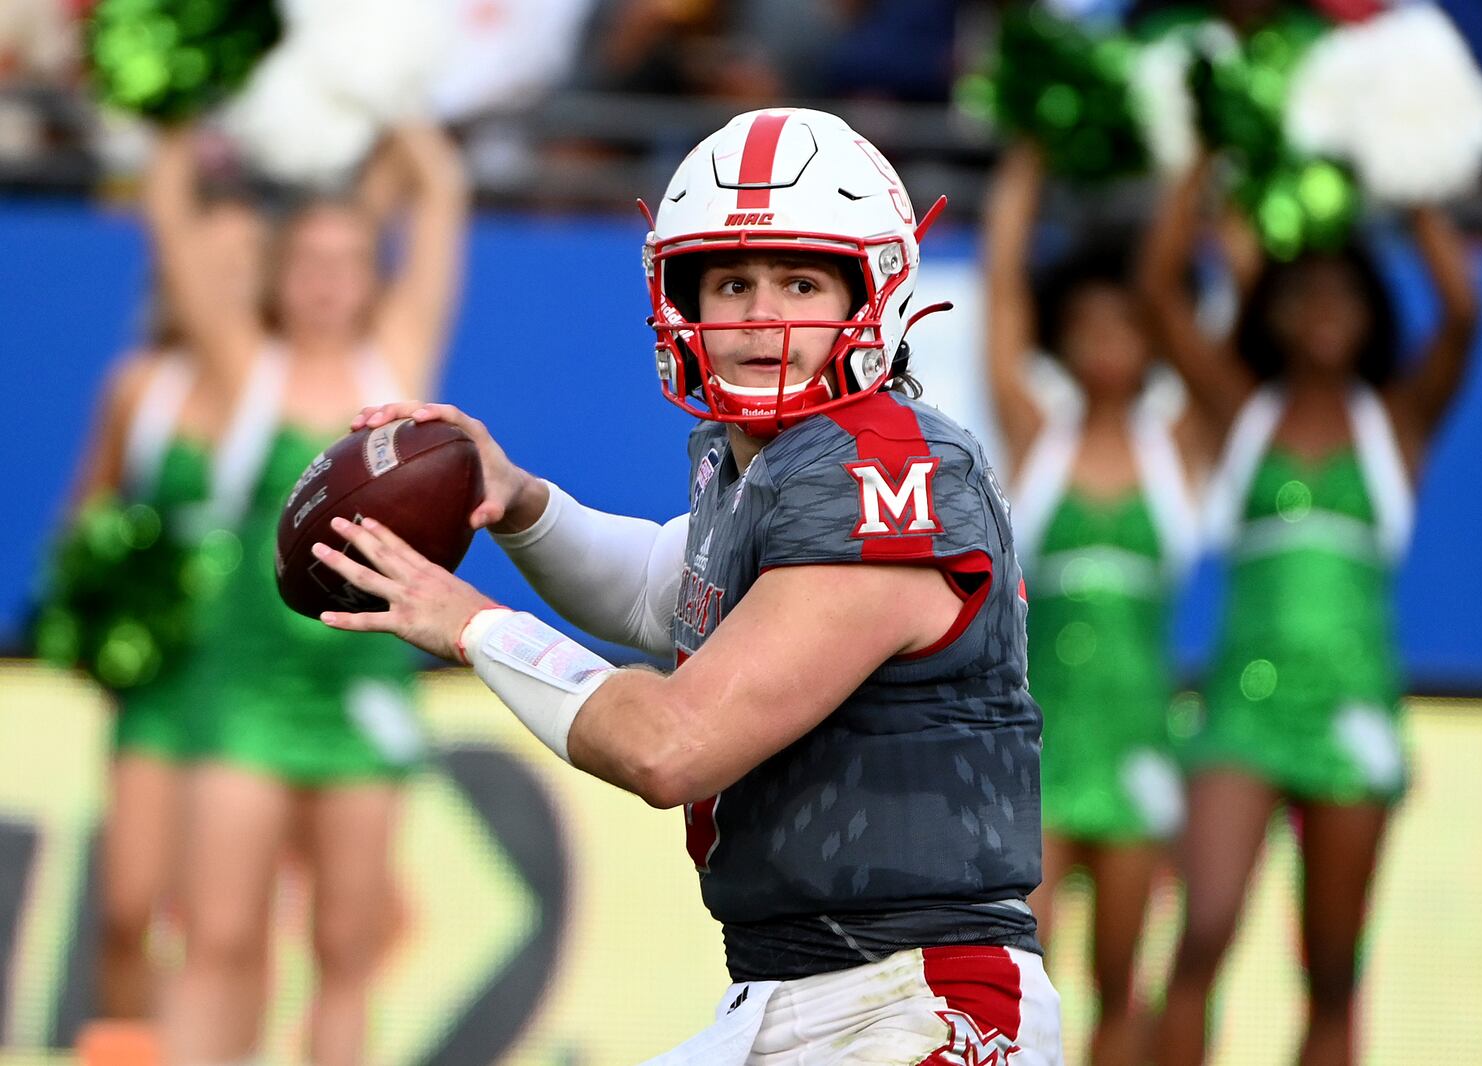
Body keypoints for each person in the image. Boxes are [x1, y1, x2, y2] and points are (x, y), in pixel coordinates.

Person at [315, 108, 1064, 1064]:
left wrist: (475, 627)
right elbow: (658, 594)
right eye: (733, 282)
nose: (761, 316)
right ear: (683, 299)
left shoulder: (887, 471)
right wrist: (516, 501)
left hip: (916, 1000)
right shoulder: (762, 464)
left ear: (875, 291)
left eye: (799, 281)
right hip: (793, 991)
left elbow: (670, 747)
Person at [1139, 161, 1480, 1066]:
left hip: (1353, 711)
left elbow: (1465, 312)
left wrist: (1407, 166)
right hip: (1241, 712)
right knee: (1200, 937)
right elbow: (1159, 292)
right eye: (1303, 297)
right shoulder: (1241, 412)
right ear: (1272, 317)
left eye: (1342, 297)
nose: (1324, 311)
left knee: (1331, 971)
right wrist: (1203, 161)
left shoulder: (1397, 423)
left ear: (1371, 316)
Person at [145, 122, 468, 1066]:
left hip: (360, 697)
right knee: (219, 937)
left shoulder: (394, 369)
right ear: (279, 273)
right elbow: (170, 208)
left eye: (350, 260)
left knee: (346, 952)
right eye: (311, 261)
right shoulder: (246, 368)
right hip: (243, 694)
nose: (328, 280)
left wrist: (377, 88)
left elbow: (440, 196)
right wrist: (203, 118)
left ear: (375, 273)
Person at [984, 142, 1206, 1066]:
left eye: (1128, 323)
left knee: (1124, 983)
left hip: (1141, 754)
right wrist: (1033, 154)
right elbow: (1000, 290)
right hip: (1040, 757)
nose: (1108, 341)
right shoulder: (1037, 441)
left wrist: (1202, 165)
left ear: (1156, 336)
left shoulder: (1182, 451)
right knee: (1024, 975)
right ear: (1062, 339)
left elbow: (1222, 319)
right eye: (1087, 324)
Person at [59, 192, 266, 1064]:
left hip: (257, 682)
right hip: (161, 677)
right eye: (203, 266)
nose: (218, 286)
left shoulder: (293, 387)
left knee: (224, 918)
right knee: (126, 905)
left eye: (239, 269)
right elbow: (85, 523)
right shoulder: (139, 388)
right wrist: (110, 592)